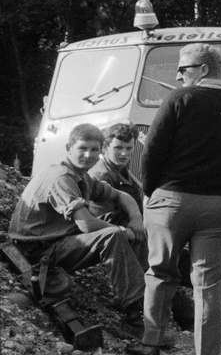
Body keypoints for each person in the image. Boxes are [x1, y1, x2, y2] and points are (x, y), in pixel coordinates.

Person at [126, 43, 221, 355]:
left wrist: (150, 193)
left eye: (183, 69)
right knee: (208, 286)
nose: (177, 76)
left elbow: (151, 152)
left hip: (170, 203)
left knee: (160, 273)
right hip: (219, 208)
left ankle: (151, 345)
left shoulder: (178, 99)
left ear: (202, 70)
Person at [8, 124, 147, 331]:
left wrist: (135, 219)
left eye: (94, 149)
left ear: (101, 151)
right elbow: (87, 224)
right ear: (69, 148)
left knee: (120, 217)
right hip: (36, 252)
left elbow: (120, 195)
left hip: (57, 240)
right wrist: (124, 232)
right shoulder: (62, 177)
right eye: (82, 148)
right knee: (111, 235)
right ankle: (135, 317)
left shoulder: (83, 176)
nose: (88, 155)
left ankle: (144, 285)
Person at [90, 123, 145, 228]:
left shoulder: (122, 170)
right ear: (105, 147)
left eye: (129, 148)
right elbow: (103, 220)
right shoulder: (101, 175)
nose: (124, 153)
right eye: (118, 148)